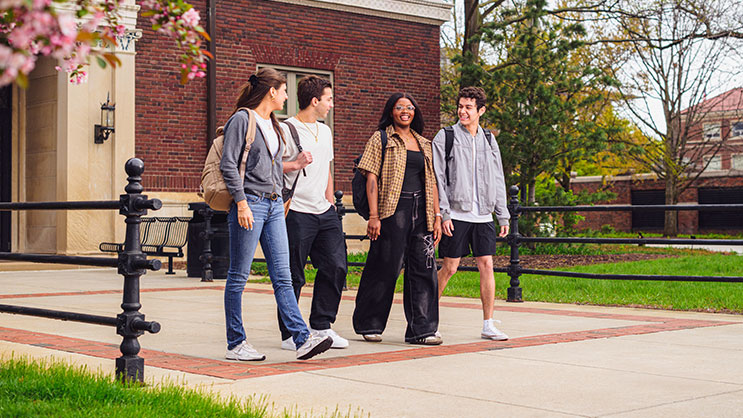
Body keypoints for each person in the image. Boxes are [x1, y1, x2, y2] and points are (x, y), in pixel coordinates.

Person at [220, 68, 333, 361]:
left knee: (283, 276)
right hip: (251, 205)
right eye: (284, 90)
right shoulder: (243, 120)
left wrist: (293, 168)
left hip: (272, 206)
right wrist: (242, 203)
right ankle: (236, 343)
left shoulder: (275, 125)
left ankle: (302, 339)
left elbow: (273, 168)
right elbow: (229, 166)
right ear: (271, 91)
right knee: (238, 276)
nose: (286, 96)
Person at [352, 92, 443, 345]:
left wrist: (437, 216)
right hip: (392, 211)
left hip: (422, 211)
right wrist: (373, 216)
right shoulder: (381, 138)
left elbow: (432, 182)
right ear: (391, 111)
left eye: (410, 107)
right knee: (384, 268)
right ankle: (369, 324)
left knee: (425, 271)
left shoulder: (424, 143)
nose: (406, 111)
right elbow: (371, 177)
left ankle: (422, 330)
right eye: (400, 107)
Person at [432, 86, 510, 341]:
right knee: (450, 267)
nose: (463, 111)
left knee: (486, 265)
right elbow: (437, 178)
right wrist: (443, 213)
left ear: (481, 111)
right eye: (461, 106)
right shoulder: (446, 136)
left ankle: (488, 324)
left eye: (469, 107)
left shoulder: (489, 139)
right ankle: (428, 319)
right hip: (456, 213)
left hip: (483, 216)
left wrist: (503, 214)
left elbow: (498, 177)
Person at [278, 75, 349, 350]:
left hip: (324, 211)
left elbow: (326, 167)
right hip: (295, 211)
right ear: (315, 100)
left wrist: (330, 198)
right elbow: (273, 167)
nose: (331, 104)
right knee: (294, 274)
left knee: (335, 266)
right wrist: (295, 164)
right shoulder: (286, 129)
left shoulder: (325, 131)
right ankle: (289, 334)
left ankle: (321, 326)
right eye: (329, 99)